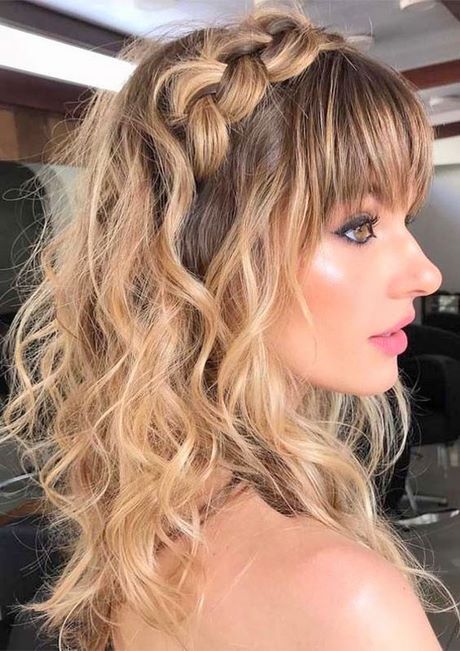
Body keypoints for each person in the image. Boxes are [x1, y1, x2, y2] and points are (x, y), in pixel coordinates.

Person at [1, 3, 458, 650]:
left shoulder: (152, 521)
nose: (427, 274)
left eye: (404, 219)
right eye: (358, 228)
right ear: (210, 258)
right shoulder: (342, 599)